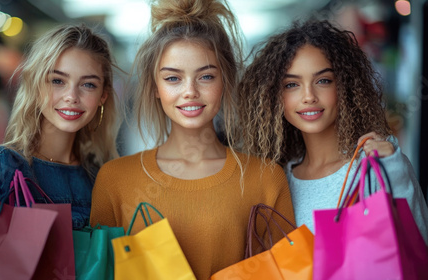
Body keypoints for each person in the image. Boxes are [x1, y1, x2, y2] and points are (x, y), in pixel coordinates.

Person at [89, 0, 294, 279]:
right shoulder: (115, 180)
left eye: (206, 76)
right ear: (155, 88)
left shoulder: (265, 178)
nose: (190, 91)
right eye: (173, 78)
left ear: (225, 81)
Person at [237, 19, 428, 270]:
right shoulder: (276, 178)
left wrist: (394, 170)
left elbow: (424, 252)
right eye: (291, 85)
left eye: (323, 80)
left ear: (344, 85)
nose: (309, 96)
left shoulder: (374, 165)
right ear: (273, 97)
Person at [0, 24, 120, 276]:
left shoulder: (100, 177)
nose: (71, 96)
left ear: (103, 95)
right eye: (57, 80)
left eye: (88, 85)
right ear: (36, 84)